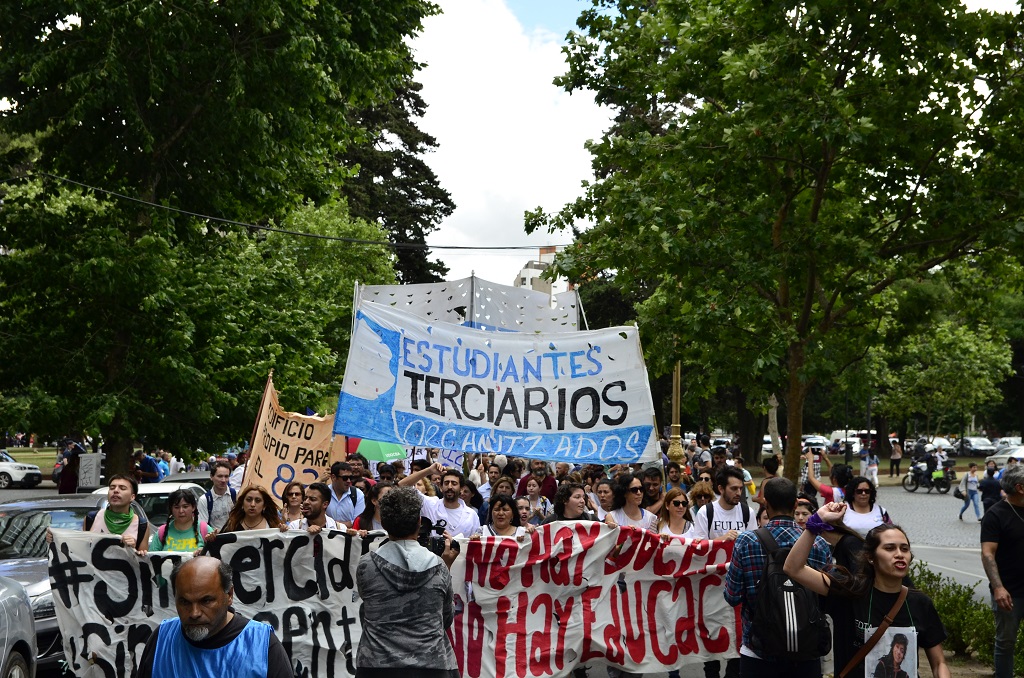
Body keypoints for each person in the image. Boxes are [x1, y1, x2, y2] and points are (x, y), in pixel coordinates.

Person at [784, 505, 951, 678]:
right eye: (889, 548)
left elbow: (939, 663)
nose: (899, 554)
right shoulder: (848, 592)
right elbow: (793, 568)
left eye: (904, 549)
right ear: (870, 557)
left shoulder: (920, 603)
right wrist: (815, 523)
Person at [724, 477, 831, 677]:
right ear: (795, 504)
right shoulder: (818, 544)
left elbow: (732, 596)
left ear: (765, 503)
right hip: (806, 650)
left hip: (758, 650)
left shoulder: (746, 541)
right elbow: (826, 597)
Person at [355, 486, 459, 678]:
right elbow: (445, 618)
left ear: (383, 523)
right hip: (431, 665)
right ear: (419, 522)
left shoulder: (366, 565)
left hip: (375, 665)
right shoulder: (439, 566)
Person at [134, 556, 291, 678]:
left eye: (206, 601)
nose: (194, 613)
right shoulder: (161, 639)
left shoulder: (262, 644)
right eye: (185, 602)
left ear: (229, 595)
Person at [981, 464, 1024, 678]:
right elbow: (988, 554)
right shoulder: (995, 515)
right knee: (1006, 643)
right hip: (1009, 593)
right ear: (1020, 488)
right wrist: (998, 588)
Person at [401, 463, 481, 537]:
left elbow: (476, 542)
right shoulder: (430, 505)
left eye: (454, 483)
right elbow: (401, 486)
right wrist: (429, 470)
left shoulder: (472, 515)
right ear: (441, 487)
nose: (449, 487)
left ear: (461, 488)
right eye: (446, 483)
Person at [86, 474, 149, 550]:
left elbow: (143, 555)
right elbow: (83, 551)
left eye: (122, 488)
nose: (115, 491)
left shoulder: (141, 525)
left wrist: (133, 548)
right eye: (112, 488)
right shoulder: (92, 518)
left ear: (132, 497)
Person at [149, 489, 213, 552]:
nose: (181, 511)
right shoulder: (162, 532)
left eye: (185, 507)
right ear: (171, 509)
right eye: (176, 507)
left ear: (193, 507)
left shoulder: (205, 530)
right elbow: (151, 556)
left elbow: (215, 554)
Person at [198, 462, 237, 531]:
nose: (223, 480)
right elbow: (203, 527)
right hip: (215, 537)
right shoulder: (204, 500)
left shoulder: (236, 495)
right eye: (220, 476)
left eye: (226, 476)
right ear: (211, 477)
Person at [325, 461, 365, 527]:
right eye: (345, 478)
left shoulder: (357, 494)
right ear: (333, 477)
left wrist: (333, 524)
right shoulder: (324, 493)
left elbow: (358, 522)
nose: (348, 481)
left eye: (350, 478)